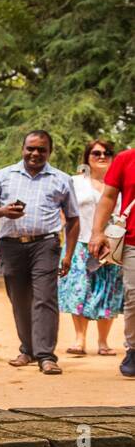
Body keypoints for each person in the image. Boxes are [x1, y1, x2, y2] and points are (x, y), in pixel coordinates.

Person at [0, 130, 80, 375]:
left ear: (49, 152)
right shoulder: (3, 176)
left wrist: (68, 254)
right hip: (11, 246)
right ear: (22, 149)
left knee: (45, 298)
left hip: (45, 244)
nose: (35, 154)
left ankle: (46, 356)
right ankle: (27, 350)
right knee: (20, 299)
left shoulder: (62, 179)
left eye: (41, 150)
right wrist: (3, 211)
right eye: (30, 148)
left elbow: (73, 219)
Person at [57, 140, 124, 356]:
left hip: (111, 247)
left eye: (107, 153)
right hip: (80, 244)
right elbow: (63, 209)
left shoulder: (120, 183)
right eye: (96, 153)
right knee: (79, 291)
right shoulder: (75, 182)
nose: (102, 156)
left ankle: (103, 342)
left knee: (108, 290)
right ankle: (80, 340)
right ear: (87, 157)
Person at [88, 145, 135, 377]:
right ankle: (134, 349)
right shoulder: (126, 159)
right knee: (133, 295)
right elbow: (108, 196)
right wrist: (97, 232)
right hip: (133, 241)